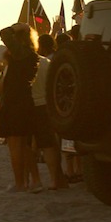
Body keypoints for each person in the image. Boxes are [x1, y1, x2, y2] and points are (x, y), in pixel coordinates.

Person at [0, 23, 38, 193]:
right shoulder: (32, 55)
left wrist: (16, 27)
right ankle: (34, 180)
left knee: (15, 146)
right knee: (26, 146)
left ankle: (20, 183)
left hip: (14, 103)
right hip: (26, 101)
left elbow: (3, 33)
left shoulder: (21, 54)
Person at [30, 35, 66, 190]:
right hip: (47, 105)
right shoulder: (47, 62)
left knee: (30, 146)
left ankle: (35, 180)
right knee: (50, 145)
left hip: (31, 105)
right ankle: (55, 179)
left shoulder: (22, 64)